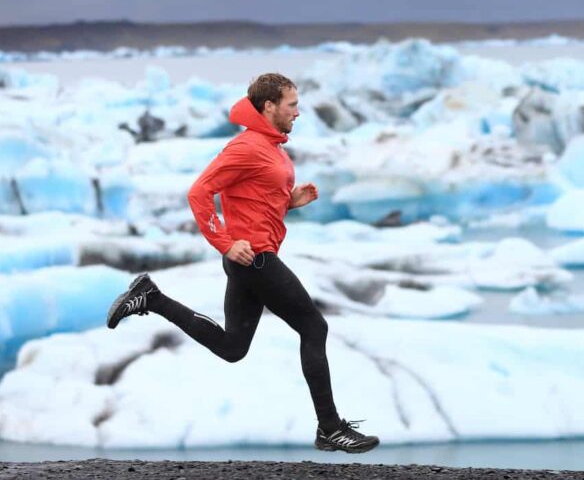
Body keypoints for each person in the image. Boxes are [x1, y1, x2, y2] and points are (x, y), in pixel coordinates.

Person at [106, 72, 380, 454]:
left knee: (233, 347)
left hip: (252, 257)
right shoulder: (246, 147)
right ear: (269, 106)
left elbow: (253, 198)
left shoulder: (271, 146)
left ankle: (151, 297)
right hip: (254, 258)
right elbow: (200, 192)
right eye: (292, 105)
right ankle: (330, 428)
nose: (298, 112)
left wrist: (289, 201)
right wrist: (224, 243)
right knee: (314, 327)